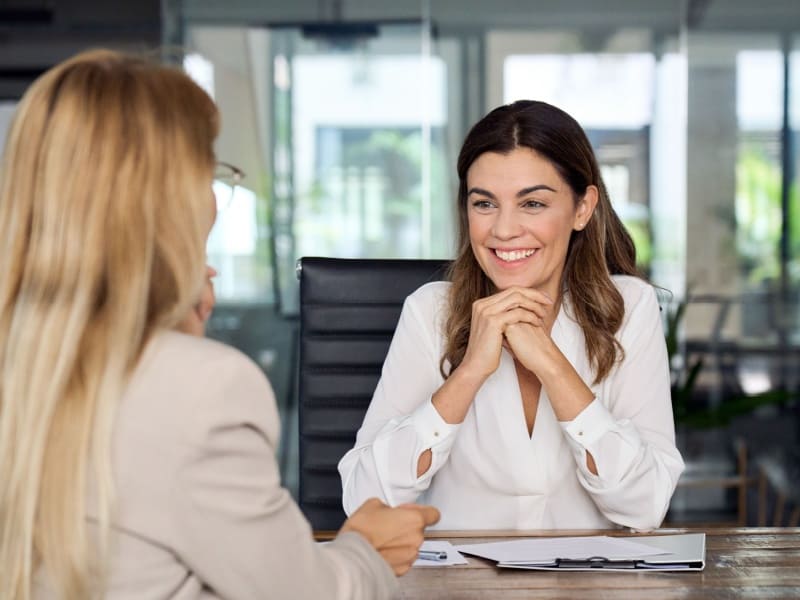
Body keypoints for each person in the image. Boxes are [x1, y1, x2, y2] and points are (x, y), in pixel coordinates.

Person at [0, 49, 439, 600]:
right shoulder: (202, 388)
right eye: (206, 170)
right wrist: (365, 552)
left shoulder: (29, 365)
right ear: (167, 198)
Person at [339, 100, 685, 531]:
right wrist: (468, 375)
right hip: (458, 591)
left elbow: (645, 504)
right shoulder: (431, 312)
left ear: (582, 208)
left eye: (533, 204)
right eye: (484, 204)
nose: (503, 230)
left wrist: (552, 364)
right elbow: (364, 500)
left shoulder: (628, 308)